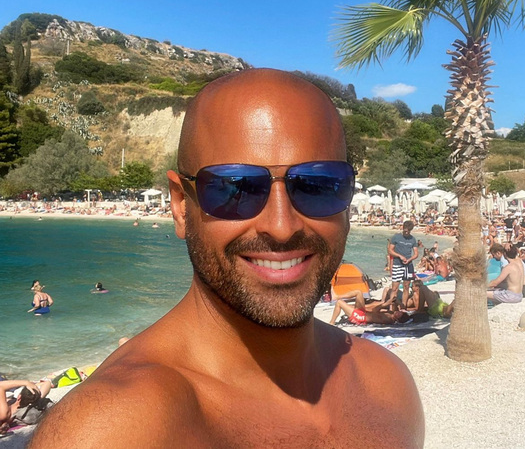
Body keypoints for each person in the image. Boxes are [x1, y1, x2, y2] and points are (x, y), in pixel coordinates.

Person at [30, 69, 424, 447]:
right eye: (236, 189)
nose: (282, 226)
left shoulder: (387, 386)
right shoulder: (113, 428)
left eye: (317, 186)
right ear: (181, 205)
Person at [328, 290, 411, 326]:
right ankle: (337, 296)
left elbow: (375, 310)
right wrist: (396, 302)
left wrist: (386, 304)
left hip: (360, 317)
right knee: (358, 292)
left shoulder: (388, 319)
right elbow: (393, 297)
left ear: (398, 319)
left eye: (399, 314)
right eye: (400, 312)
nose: (398, 312)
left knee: (339, 302)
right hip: (363, 313)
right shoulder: (391, 314)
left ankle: (332, 322)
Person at [388, 220, 418, 310]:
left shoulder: (412, 239)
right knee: (394, 288)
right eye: (405, 231)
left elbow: (416, 254)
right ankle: (392, 308)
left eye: (408, 231)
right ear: (403, 228)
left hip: (408, 265)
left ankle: (403, 307)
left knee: (406, 286)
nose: (406, 233)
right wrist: (399, 256)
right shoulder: (396, 237)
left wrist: (409, 259)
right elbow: (390, 250)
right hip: (397, 264)